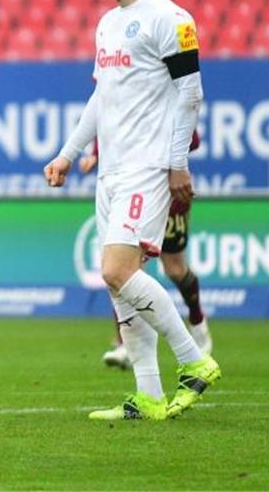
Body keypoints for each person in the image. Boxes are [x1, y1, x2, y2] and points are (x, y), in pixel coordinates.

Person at [44, 0, 220, 421]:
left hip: (148, 168)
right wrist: (67, 152)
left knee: (117, 271)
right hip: (112, 173)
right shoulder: (107, 24)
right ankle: (148, 396)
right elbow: (102, 97)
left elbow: (190, 95)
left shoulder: (170, 18)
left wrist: (176, 165)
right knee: (120, 284)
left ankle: (195, 361)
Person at [80, 133, 213, 369]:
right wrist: (94, 154)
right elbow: (110, 126)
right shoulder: (117, 99)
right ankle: (125, 343)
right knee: (123, 268)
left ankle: (197, 321)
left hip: (164, 189)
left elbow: (193, 139)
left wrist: (161, 156)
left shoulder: (168, 99)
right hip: (129, 192)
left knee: (175, 269)